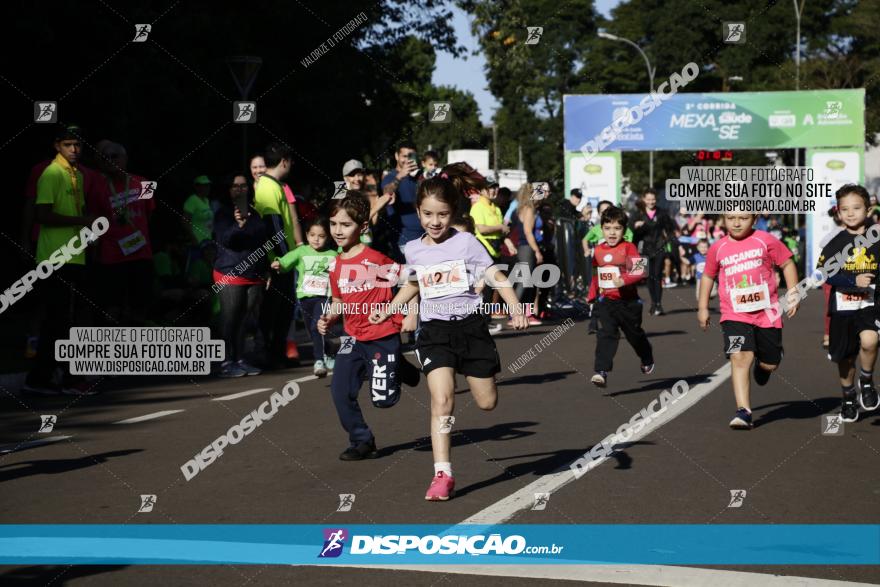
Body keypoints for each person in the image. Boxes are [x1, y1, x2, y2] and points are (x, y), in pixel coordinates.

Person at [368, 167, 528, 501]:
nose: (435, 222)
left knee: (487, 402)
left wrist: (514, 305)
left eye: (442, 214)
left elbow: (495, 274)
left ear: (453, 213)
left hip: (470, 328)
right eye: (427, 214)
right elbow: (413, 283)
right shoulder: (413, 249)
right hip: (435, 332)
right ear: (418, 213)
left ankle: (473, 377)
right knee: (442, 401)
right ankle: (443, 474)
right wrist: (390, 308)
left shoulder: (466, 242)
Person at [317, 192, 419, 461]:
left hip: (382, 335)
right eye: (333, 224)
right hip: (352, 337)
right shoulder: (336, 264)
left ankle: (396, 365)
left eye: (345, 225)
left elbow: (412, 280)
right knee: (340, 392)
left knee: (384, 401)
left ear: (362, 227)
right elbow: (338, 299)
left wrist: (411, 312)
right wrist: (329, 317)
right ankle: (362, 440)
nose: (338, 231)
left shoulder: (376, 260)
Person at [698, 211, 800, 430]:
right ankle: (743, 411)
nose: (736, 222)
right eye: (730, 218)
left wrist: (793, 293)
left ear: (754, 220)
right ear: (723, 220)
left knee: (769, 363)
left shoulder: (765, 240)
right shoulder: (718, 247)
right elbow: (708, 276)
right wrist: (703, 307)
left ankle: (765, 365)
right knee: (739, 356)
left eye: (743, 218)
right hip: (734, 314)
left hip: (767, 314)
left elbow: (787, 263)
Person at [23, 124, 99, 396]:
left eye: (78, 145)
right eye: (68, 144)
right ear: (57, 146)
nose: (74, 150)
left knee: (65, 320)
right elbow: (41, 214)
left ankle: (49, 377)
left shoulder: (75, 174)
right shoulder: (52, 173)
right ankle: (59, 378)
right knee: (59, 320)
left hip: (73, 255)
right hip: (55, 257)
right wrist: (82, 221)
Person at [817, 184, 880, 422]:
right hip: (842, 307)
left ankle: (866, 380)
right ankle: (848, 396)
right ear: (838, 212)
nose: (851, 213)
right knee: (844, 358)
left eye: (856, 208)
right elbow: (824, 274)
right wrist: (853, 279)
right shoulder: (835, 242)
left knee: (870, 339)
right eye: (845, 209)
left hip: (870, 304)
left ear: (868, 209)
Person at [88, 140, 155, 326]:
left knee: (140, 306)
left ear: (125, 158)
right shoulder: (98, 187)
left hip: (141, 254)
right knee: (111, 307)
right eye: (105, 157)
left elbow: (149, 215)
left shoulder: (144, 183)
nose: (110, 160)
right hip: (112, 256)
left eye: (115, 156)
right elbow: (93, 221)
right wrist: (94, 248)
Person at [587, 206, 654, 388]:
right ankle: (601, 371)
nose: (612, 233)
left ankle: (646, 356)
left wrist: (623, 280)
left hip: (629, 303)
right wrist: (591, 295)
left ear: (624, 230)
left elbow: (640, 271)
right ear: (601, 229)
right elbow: (595, 274)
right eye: (608, 228)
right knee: (606, 334)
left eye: (617, 228)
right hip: (607, 301)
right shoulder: (598, 251)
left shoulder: (629, 247)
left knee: (634, 336)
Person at [213, 174, 269, 377]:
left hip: (254, 274)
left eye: (243, 185)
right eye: (234, 186)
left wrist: (266, 270)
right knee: (230, 318)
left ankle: (240, 359)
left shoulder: (255, 213)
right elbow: (225, 240)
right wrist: (238, 225)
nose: (239, 189)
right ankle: (227, 361)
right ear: (228, 190)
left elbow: (262, 241)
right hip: (230, 272)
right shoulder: (222, 213)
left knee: (245, 319)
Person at [253, 142, 303, 369]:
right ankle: (266, 354)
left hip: (282, 259)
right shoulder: (268, 187)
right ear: (284, 160)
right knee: (272, 311)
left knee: (283, 310)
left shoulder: (274, 185)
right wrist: (284, 258)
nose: (291, 164)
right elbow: (273, 226)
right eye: (290, 160)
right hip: (277, 261)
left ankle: (277, 353)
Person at [271, 217, 338, 377]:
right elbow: (287, 260)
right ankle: (327, 350)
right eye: (313, 235)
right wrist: (279, 263)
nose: (316, 239)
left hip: (324, 296)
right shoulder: (302, 252)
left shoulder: (333, 255)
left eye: (321, 236)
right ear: (307, 235)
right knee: (312, 330)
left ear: (328, 237)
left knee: (317, 326)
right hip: (305, 297)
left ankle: (319, 360)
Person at [632, 188, 677, 316]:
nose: (651, 202)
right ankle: (653, 303)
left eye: (653, 199)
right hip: (643, 248)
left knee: (657, 276)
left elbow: (670, 229)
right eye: (648, 199)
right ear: (644, 199)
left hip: (658, 248)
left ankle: (658, 304)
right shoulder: (638, 214)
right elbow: (630, 230)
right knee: (648, 277)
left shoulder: (662, 213)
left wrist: (667, 240)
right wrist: (635, 226)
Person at [508, 183, 544, 326]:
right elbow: (528, 232)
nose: (538, 193)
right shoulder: (528, 209)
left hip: (524, 247)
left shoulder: (523, 209)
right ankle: (513, 314)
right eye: (534, 191)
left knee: (527, 282)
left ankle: (525, 314)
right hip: (527, 248)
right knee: (524, 281)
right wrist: (537, 250)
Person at [381, 142, 422, 260]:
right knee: (406, 278)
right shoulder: (391, 177)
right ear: (396, 156)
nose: (407, 160)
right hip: (403, 240)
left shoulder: (420, 178)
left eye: (411, 156)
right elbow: (386, 192)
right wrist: (400, 176)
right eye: (404, 156)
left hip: (425, 237)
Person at [182, 175, 214, 244]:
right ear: (197, 187)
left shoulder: (207, 200)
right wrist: (193, 239)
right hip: (197, 242)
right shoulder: (192, 200)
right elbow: (185, 222)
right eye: (204, 186)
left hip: (208, 241)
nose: (207, 188)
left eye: (208, 185)